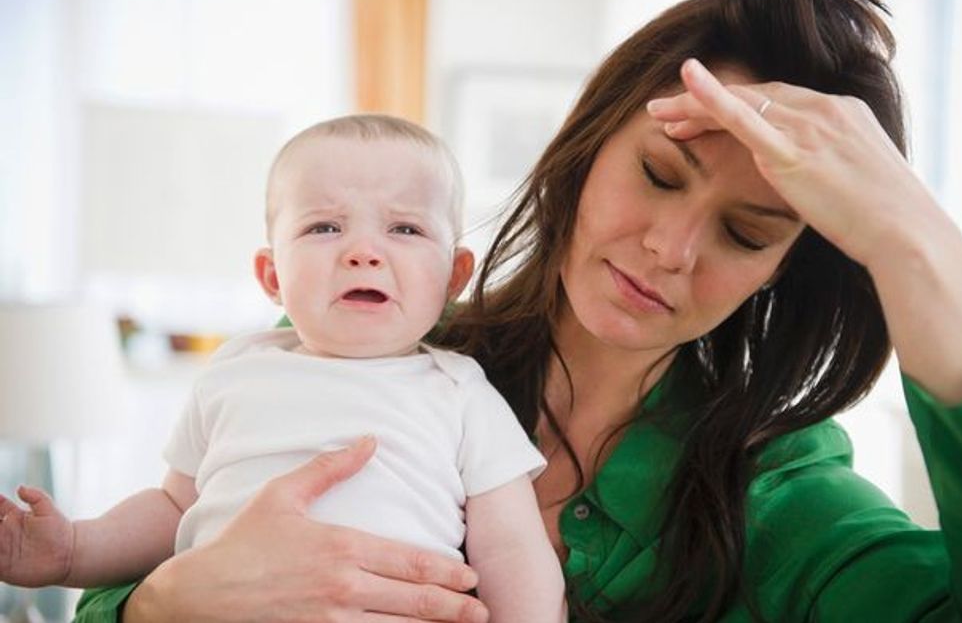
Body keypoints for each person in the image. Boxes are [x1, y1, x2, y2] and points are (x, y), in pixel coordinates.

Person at [66, 0, 962, 620]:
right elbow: (133, 566)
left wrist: (922, 242)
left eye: (746, 233)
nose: (669, 250)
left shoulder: (781, 492)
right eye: (660, 175)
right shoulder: (350, 345)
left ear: (782, 268)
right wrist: (162, 604)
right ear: (587, 147)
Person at [0, 115, 566, 622]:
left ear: (453, 275)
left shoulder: (462, 392)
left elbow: (513, 550)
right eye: (325, 228)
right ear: (272, 276)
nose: (363, 252)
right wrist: (73, 549)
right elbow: (174, 508)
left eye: (405, 229)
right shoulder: (236, 371)